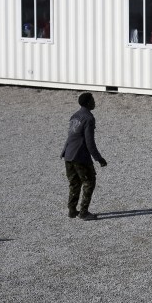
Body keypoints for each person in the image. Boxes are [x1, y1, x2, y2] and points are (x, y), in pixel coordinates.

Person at [61, 92, 108, 221]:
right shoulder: (88, 118)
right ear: (88, 103)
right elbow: (89, 142)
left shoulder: (74, 116)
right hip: (80, 156)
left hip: (68, 155)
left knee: (74, 183)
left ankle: (71, 210)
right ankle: (84, 212)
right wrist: (99, 159)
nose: (94, 102)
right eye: (93, 100)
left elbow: (70, 136)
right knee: (89, 182)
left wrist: (64, 152)